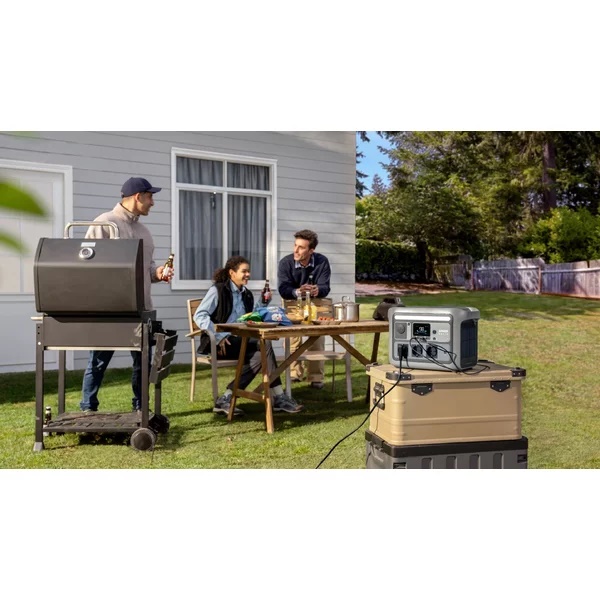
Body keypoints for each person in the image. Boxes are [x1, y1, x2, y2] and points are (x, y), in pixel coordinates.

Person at [79, 177, 172, 413]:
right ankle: (88, 408)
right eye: (150, 197)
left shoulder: (144, 232)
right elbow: (86, 264)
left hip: (142, 309)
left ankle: (140, 408)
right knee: (98, 360)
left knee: (142, 361)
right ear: (137, 197)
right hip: (110, 310)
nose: (152, 203)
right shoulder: (105, 223)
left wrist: (158, 273)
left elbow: (148, 270)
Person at [194, 255, 303, 416]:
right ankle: (279, 397)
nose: (248, 274)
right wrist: (219, 336)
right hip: (221, 344)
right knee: (264, 344)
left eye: (248, 271)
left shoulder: (246, 294)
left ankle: (226, 398)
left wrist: (263, 303)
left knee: (260, 355)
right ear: (232, 273)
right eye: (244, 271)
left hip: (241, 341)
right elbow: (200, 315)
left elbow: (250, 317)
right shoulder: (218, 290)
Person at [277, 229, 331, 389]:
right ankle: (294, 374)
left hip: (315, 303)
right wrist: (297, 291)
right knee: (292, 339)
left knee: (317, 339)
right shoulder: (285, 263)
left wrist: (317, 290)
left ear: (311, 250)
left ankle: (316, 378)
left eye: (301, 247)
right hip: (292, 303)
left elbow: (325, 286)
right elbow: (283, 289)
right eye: (295, 245)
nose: (296, 250)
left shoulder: (322, 261)